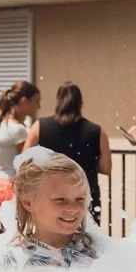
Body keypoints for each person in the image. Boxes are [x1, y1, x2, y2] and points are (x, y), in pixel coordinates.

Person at [23, 82, 111, 224]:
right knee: (86, 241)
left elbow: (24, 161)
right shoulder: (97, 131)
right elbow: (106, 168)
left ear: (58, 101)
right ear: (80, 103)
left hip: (51, 195)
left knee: (50, 241)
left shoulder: (40, 126)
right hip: (84, 196)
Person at [1, 147, 99, 269]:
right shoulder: (17, 261)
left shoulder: (98, 248)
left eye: (80, 199)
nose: (73, 208)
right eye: (60, 200)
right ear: (28, 202)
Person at [0, 81, 41, 205]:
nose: (39, 106)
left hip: (0, 182)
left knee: (10, 224)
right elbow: (27, 161)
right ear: (25, 101)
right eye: (36, 101)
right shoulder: (18, 129)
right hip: (13, 187)